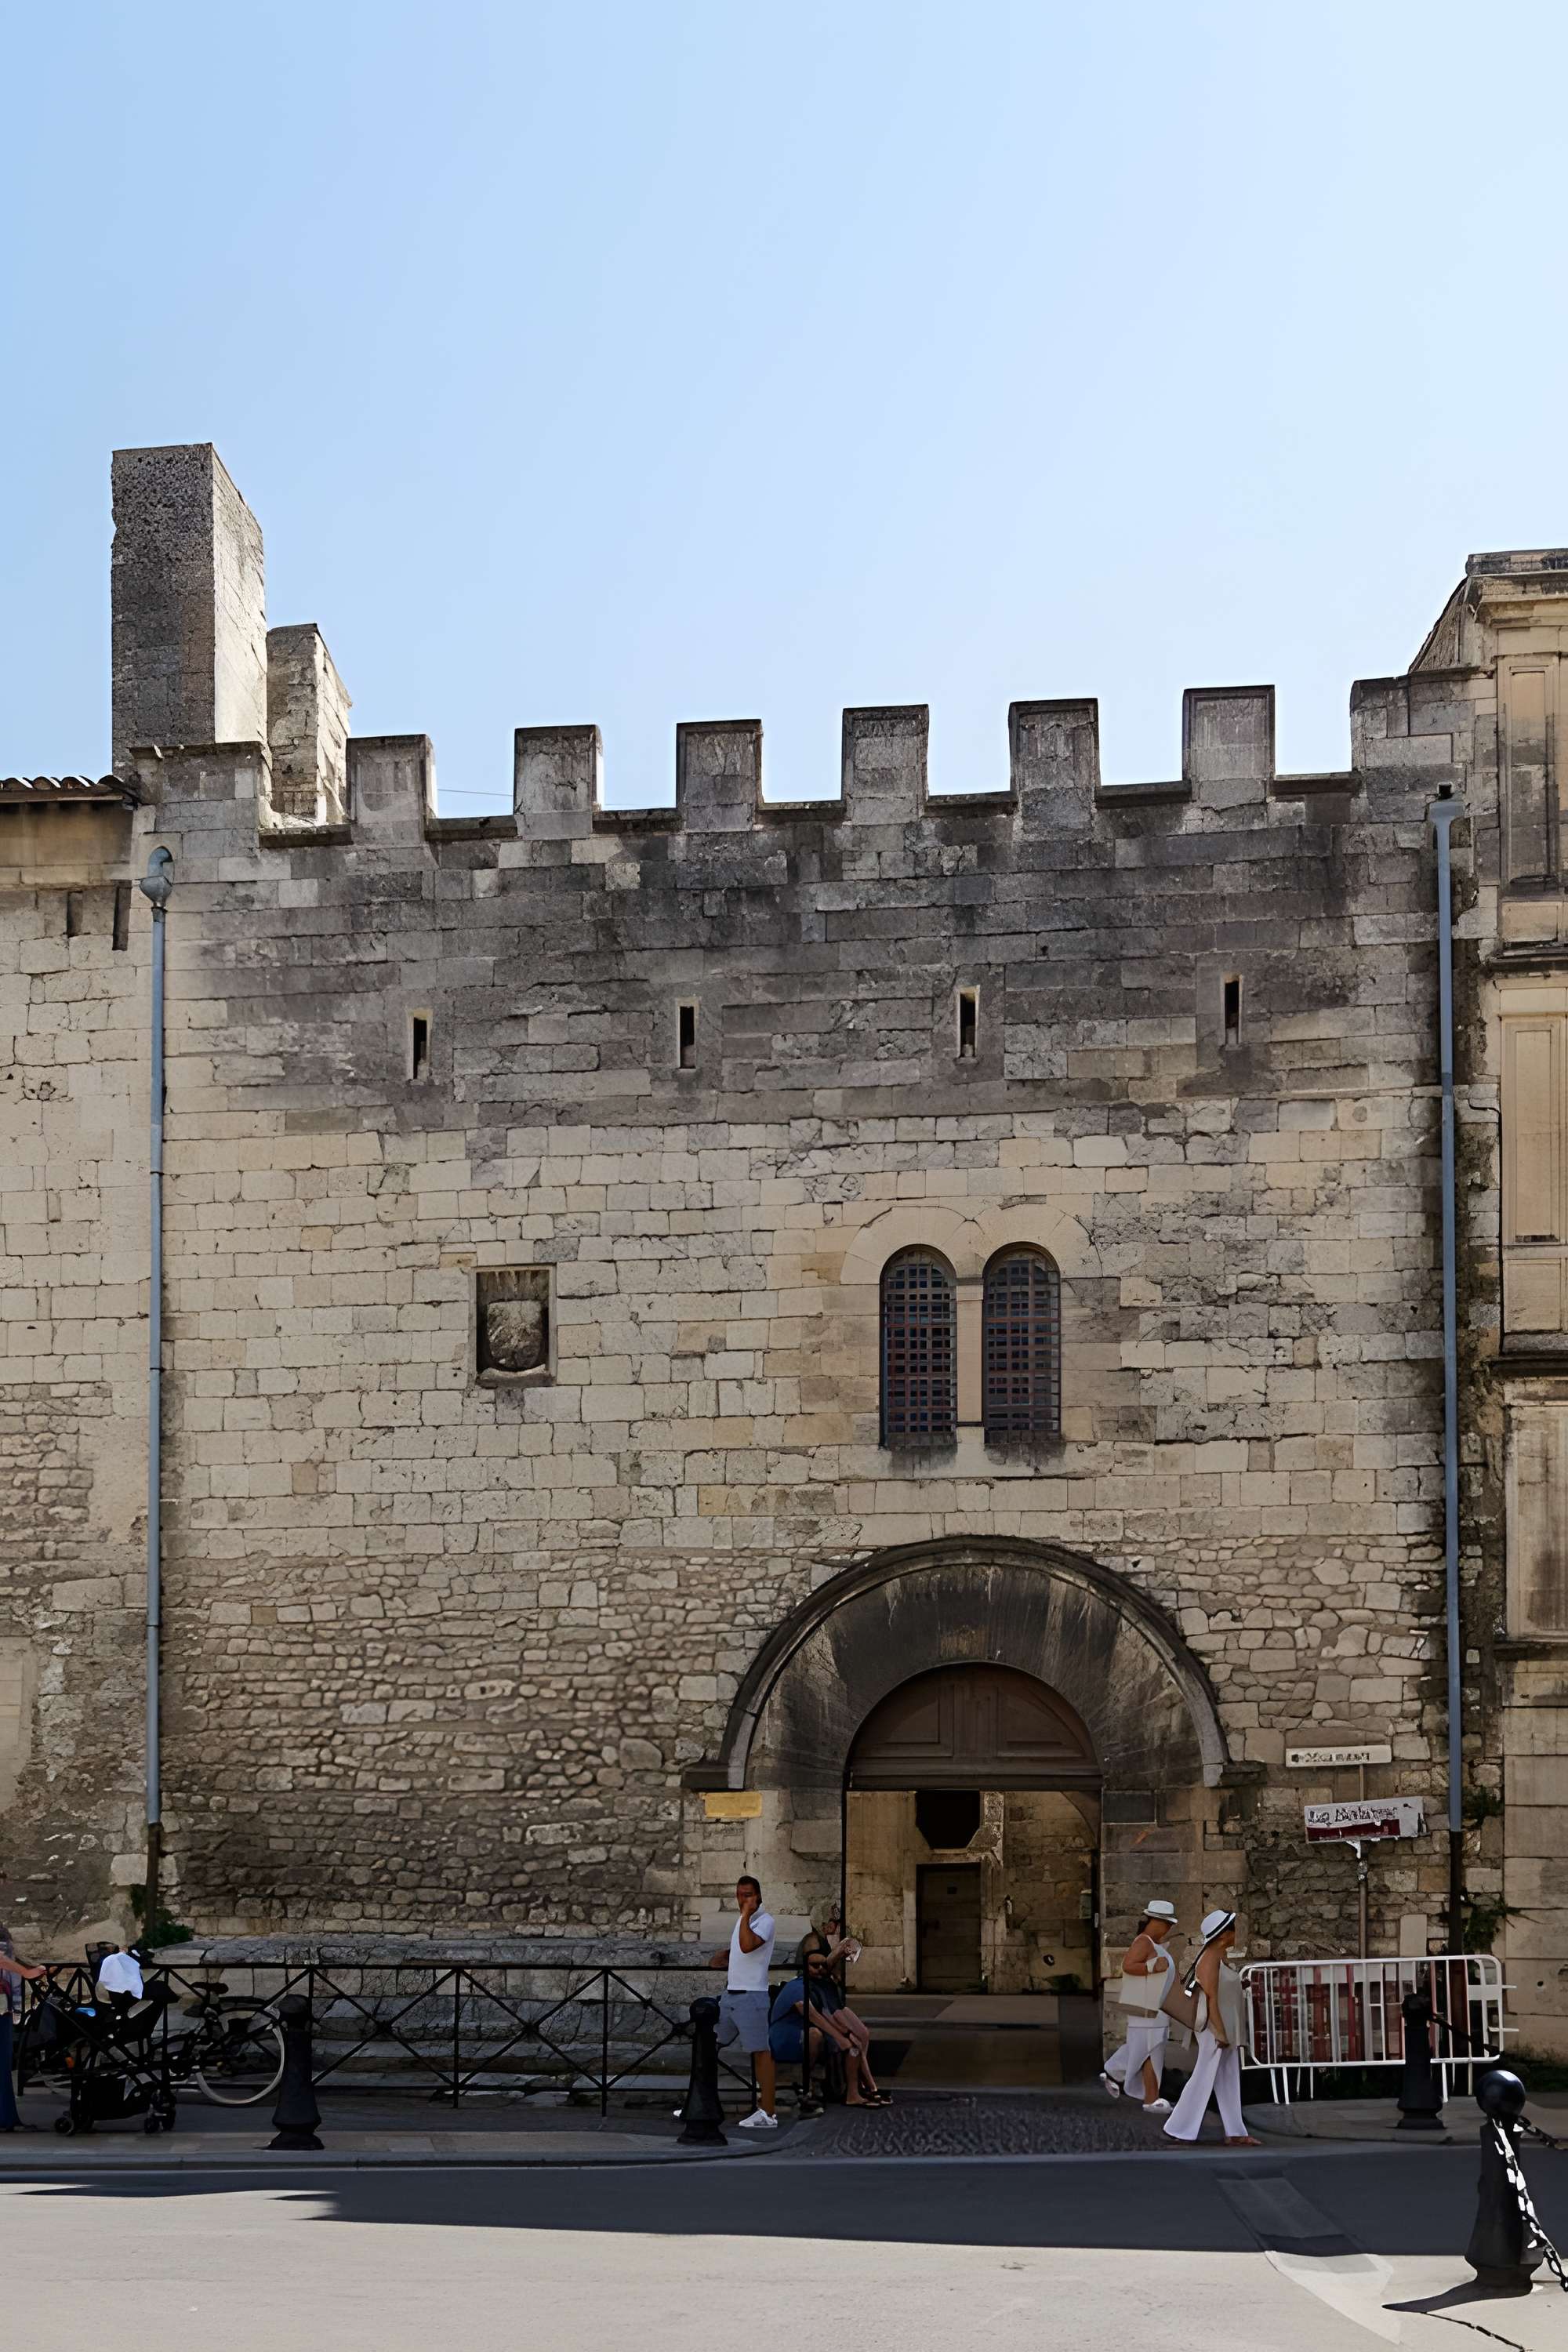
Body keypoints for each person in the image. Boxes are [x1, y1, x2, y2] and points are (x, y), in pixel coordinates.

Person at [1163, 1908, 1258, 2147]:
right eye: (1233, 1928)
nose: (1236, 1933)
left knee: (1227, 2077)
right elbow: (1212, 1999)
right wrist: (1220, 2033)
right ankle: (1178, 2127)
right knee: (1204, 2076)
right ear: (1224, 1934)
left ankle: (1235, 2131)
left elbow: (1221, 1992)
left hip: (1222, 2027)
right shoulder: (1209, 1959)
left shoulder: (1217, 1957)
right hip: (1214, 2029)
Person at [769, 1947, 888, 2107]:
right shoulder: (797, 1988)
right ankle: (808, 2083)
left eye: (823, 1966)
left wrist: (846, 2035)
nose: (820, 1969)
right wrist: (840, 2038)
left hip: (807, 2030)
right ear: (805, 1968)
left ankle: (860, 2090)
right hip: (788, 2035)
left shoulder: (819, 1988)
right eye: (815, 1966)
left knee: (853, 2044)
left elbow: (827, 2014)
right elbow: (814, 2016)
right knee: (818, 2036)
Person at [707, 1875, 780, 2131]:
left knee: (761, 2051)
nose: (743, 1899)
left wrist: (747, 1914)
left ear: (758, 1896)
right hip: (731, 1995)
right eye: (739, 1894)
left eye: (748, 1894)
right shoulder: (742, 1921)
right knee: (708, 2044)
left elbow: (749, 1946)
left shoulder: (765, 1920)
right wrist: (724, 1958)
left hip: (753, 1996)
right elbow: (741, 1952)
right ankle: (701, 2102)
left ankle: (768, 2113)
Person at [1101, 1899, 1178, 2114]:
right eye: (1168, 1924)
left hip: (1155, 2009)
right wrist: (1153, 1966)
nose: (1169, 1929)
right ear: (1159, 1922)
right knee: (1148, 2051)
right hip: (1148, 2010)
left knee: (1147, 2051)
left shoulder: (1151, 1944)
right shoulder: (1144, 1942)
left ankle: (1118, 2075)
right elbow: (1128, 1965)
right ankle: (1149, 2097)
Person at [0, 1922, 48, 2132]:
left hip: (3, 2003)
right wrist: (28, 1973)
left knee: (3, 2063)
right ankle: (5, 2118)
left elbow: (8, 1957)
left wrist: (33, 1968)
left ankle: (7, 2118)